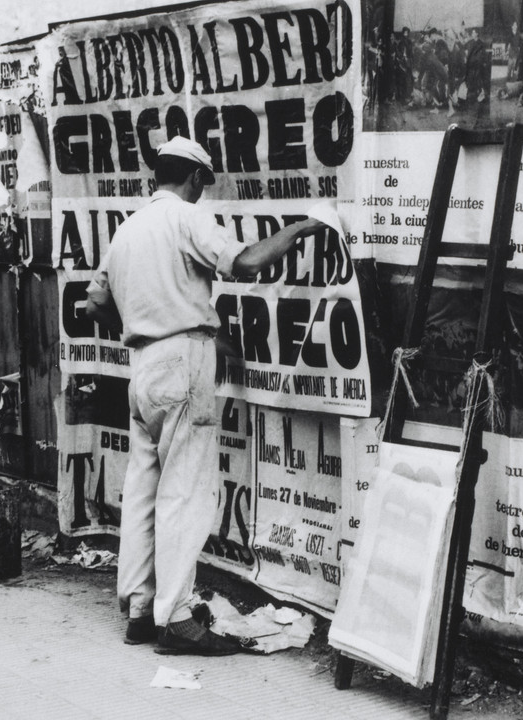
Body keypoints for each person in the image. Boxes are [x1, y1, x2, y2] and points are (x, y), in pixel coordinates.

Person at [85, 137, 326, 655]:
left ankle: (139, 611)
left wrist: (152, 321)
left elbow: (96, 304)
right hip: (181, 365)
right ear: (193, 178)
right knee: (185, 491)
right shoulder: (183, 218)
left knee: (145, 490)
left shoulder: (127, 229)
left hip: (143, 367)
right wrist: (302, 227)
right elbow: (245, 263)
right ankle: (176, 620)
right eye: (203, 182)